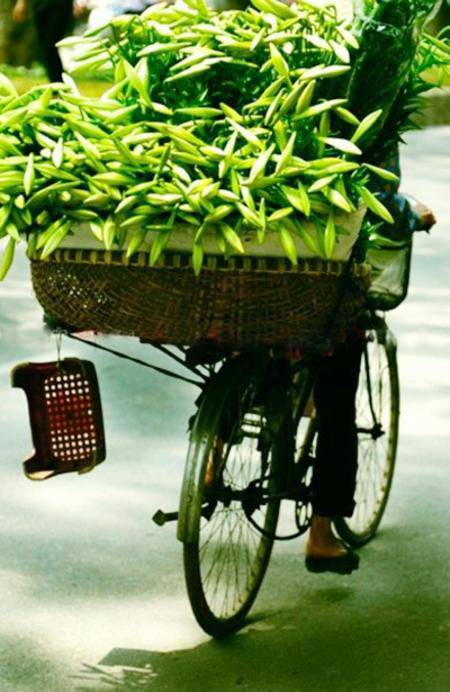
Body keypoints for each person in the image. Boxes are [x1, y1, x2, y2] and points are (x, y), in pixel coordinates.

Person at [12, 0, 82, 82]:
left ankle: (59, 83)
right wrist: (21, 3)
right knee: (44, 47)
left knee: (50, 45)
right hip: (40, 5)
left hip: (61, 4)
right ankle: (57, 82)